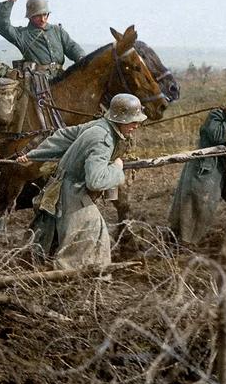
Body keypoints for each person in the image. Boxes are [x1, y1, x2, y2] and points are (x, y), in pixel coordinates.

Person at [17, 93, 143, 268]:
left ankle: (33, 268)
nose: (136, 125)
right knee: (93, 236)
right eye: (133, 121)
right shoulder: (103, 140)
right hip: (72, 192)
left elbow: (62, 136)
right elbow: (95, 181)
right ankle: (72, 281)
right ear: (120, 119)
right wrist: (117, 169)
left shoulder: (99, 125)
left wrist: (34, 154)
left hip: (58, 187)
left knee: (45, 237)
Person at [168, 81, 226, 245]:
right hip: (205, 167)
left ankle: (187, 240)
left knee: (207, 206)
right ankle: (184, 242)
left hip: (222, 169)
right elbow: (217, 136)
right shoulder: (218, 115)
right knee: (197, 203)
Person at [0, 0, 85, 78]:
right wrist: (10, 1)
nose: (43, 19)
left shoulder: (58, 31)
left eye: (45, 14)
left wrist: (81, 57)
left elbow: (71, 47)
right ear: (30, 16)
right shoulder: (22, 35)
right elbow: (1, 25)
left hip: (60, 79)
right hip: (37, 83)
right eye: (38, 16)